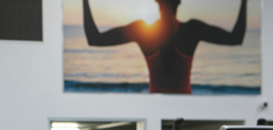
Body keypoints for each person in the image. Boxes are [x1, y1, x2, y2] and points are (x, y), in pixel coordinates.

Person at [83, 0, 247, 93]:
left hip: (156, 107)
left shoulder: (142, 31)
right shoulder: (192, 30)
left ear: (157, 2)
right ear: (180, 2)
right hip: (184, 110)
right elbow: (236, 38)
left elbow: (95, 38)